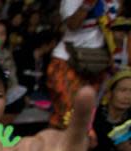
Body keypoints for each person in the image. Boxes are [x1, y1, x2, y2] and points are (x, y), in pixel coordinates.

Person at [48, 0, 117, 128]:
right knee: (66, 118)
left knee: (87, 118)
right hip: (67, 62)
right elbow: (72, 25)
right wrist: (87, 5)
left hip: (96, 63)